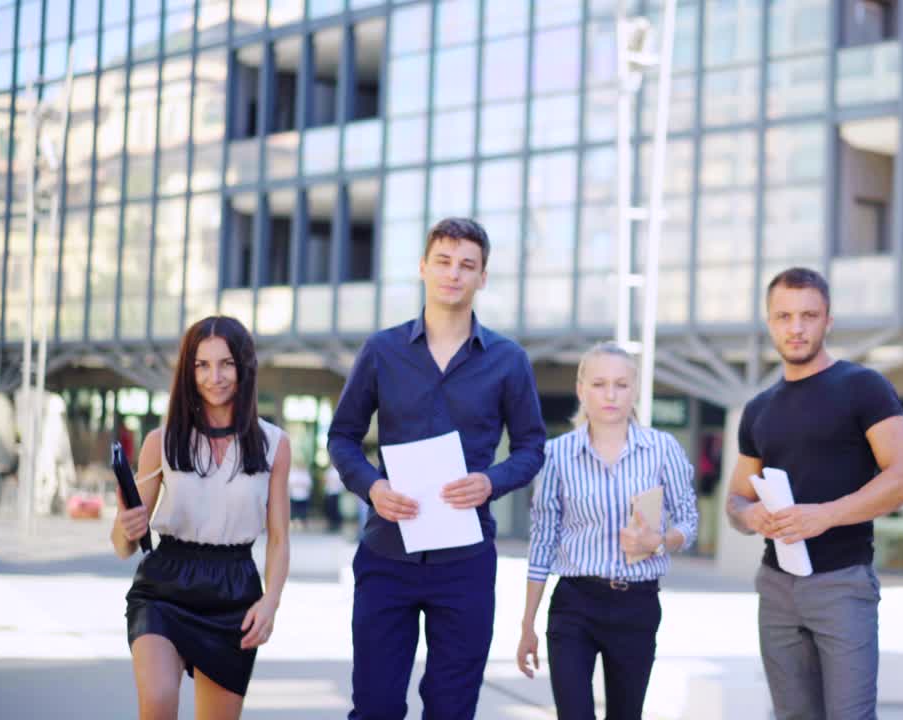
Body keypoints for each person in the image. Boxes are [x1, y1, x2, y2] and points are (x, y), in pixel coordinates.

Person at [328, 217, 547, 720]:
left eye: (467, 265)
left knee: (452, 709)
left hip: (465, 563)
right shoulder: (381, 351)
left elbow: (532, 447)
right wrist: (372, 486)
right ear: (424, 268)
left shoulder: (509, 360)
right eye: (444, 262)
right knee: (376, 707)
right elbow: (342, 436)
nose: (454, 274)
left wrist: (492, 481)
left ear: (482, 277)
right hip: (387, 554)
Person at [724, 267, 903, 720]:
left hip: (842, 583)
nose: (796, 327)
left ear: (828, 320)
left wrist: (825, 515)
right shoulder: (758, 409)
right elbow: (735, 501)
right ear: (769, 322)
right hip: (775, 586)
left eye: (808, 315)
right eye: (784, 316)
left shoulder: (862, 387)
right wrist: (751, 516)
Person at [110, 316, 291, 719]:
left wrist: (271, 602)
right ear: (188, 372)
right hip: (164, 586)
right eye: (201, 365)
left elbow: (279, 538)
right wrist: (126, 527)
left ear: (244, 367)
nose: (215, 377)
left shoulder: (274, 445)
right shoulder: (162, 440)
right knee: (157, 702)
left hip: (234, 590)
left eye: (226, 363)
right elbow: (123, 544)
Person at [517, 342, 699, 720]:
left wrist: (660, 542)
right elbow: (543, 540)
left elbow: (688, 521)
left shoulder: (663, 449)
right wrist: (527, 624)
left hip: (637, 605)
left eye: (621, 384)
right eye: (599, 384)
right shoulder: (556, 455)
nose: (611, 394)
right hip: (574, 605)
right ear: (581, 389)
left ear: (634, 390)